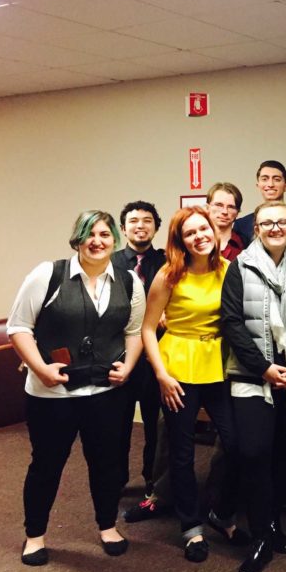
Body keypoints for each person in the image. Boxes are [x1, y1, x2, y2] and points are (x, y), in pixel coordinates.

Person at [7, 210, 145, 566]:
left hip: (106, 394)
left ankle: (107, 526)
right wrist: (41, 369)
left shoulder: (129, 281)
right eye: (90, 234)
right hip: (52, 395)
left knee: (108, 464)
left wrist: (128, 367)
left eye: (104, 234)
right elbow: (18, 327)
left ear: (115, 240)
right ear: (77, 240)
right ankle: (35, 535)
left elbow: (133, 331)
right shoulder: (48, 275)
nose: (97, 241)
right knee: (47, 465)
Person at [141, 207, 247, 563]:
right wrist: (161, 375)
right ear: (180, 241)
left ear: (214, 231)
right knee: (182, 452)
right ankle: (191, 527)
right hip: (178, 368)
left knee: (235, 444)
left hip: (218, 364)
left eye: (204, 228)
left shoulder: (228, 270)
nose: (199, 236)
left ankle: (221, 511)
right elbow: (147, 329)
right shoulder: (169, 274)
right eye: (190, 232)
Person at [221, 200, 286, 572]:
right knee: (255, 453)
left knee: (284, 455)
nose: (275, 228)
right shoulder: (239, 266)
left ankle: (274, 523)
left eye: (282, 222)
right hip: (253, 377)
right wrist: (263, 368)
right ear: (256, 228)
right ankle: (260, 536)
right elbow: (231, 323)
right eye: (266, 223)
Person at [112, 201, 166, 495]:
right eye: (134, 221)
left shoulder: (169, 261)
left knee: (156, 425)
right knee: (118, 425)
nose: (140, 225)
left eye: (147, 221)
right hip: (120, 356)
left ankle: (152, 480)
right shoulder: (110, 262)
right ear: (123, 228)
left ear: (156, 227)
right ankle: (117, 480)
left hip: (158, 355)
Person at [235, 160, 286, 246]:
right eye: (264, 179)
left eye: (277, 179)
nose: (270, 184)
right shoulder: (242, 226)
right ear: (258, 185)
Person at [207, 182, 245, 261]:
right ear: (208, 208)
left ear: (237, 212)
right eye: (219, 205)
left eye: (231, 207)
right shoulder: (196, 242)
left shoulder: (246, 245)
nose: (224, 211)